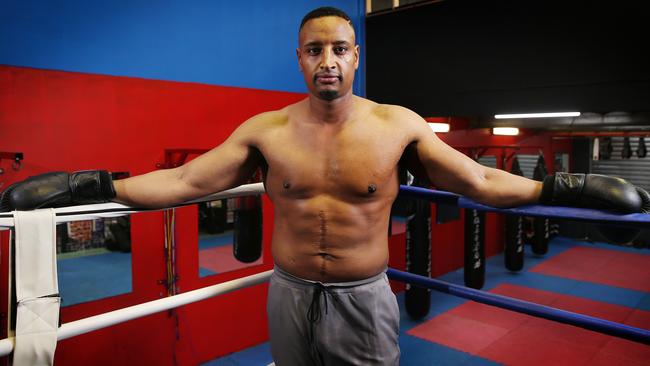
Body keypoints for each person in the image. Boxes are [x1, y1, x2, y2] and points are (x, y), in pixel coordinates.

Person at [2, 6, 649, 366]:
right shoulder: (266, 130)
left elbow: (477, 179)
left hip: (361, 296)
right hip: (288, 291)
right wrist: (97, 185)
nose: (328, 61)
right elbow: (184, 181)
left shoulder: (397, 126)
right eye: (315, 50)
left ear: (356, 55)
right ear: (300, 58)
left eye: (340, 48)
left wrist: (561, 189)